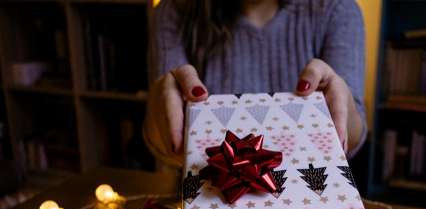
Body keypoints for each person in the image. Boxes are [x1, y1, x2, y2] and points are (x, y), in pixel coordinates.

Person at [145, 0, 366, 171]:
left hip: (311, 203)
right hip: (207, 199)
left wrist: (342, 106)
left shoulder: (337, 9)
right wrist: (159, 110)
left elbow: (354, 137)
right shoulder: (174, 10)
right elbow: (162, 142)